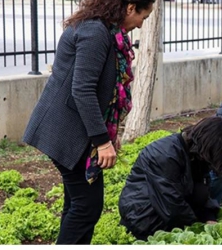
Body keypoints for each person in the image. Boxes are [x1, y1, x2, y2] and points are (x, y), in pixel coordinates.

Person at [20, 0, 155, 244]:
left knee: (78, 205)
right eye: (143, 18)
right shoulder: (95, 32)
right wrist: (103, 142)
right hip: (66, 131)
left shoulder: (104, 30)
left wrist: (106, 136)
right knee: (87, 207)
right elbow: (82, 90)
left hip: (75, 130)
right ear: (130, 7)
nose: (141, 25)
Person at [118, 117, 222, 240]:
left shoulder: (195, 152)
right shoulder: (165, 155)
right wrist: (196, 228)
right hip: (141, 212)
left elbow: (203, 188)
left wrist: (209, 216)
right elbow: (171, 204)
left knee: (201, 192)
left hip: (167, 204)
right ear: (207, 146)